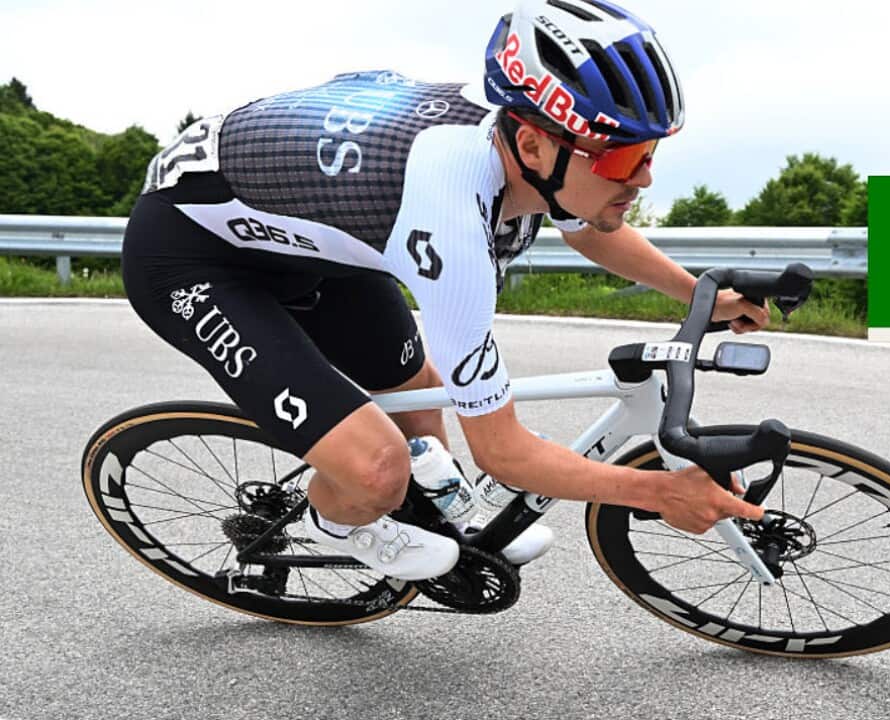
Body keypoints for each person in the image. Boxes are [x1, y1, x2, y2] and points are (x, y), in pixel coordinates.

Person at [122, 0, 768, 582]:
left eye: (651, 152)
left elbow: (586, 227)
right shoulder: (451, 219)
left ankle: (439, 517)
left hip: (304, 237)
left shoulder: (526, 137)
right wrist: (658, 493)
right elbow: (504, 450)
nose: (645, 179)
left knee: (417, 396)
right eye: (624, 160)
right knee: (377, 469)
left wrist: (697, 296)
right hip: (190, 255)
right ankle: (337, 520)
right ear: (535, 147)